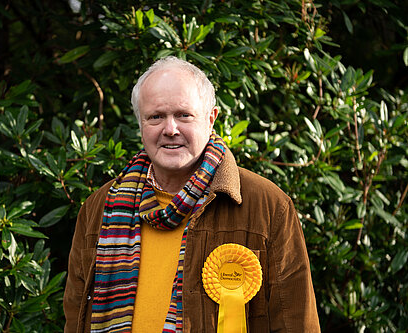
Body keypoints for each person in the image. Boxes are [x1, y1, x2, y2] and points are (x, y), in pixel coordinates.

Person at [63, 56, 320, 332]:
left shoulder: (268, 206)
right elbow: (75, 319)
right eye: (156, 117)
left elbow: (297, 323)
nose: (170, 129)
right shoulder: (100, 208)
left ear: (211, 119)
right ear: (141, 124)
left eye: (183, 115)